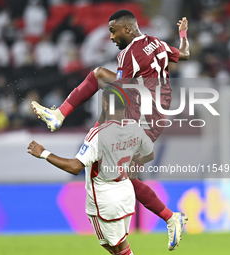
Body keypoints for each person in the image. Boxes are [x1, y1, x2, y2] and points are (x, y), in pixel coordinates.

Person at [31, 10, 189, 251]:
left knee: (97, 77)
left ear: (127, 29)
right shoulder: (156, 43)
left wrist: (102, 126)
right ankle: (170, 217)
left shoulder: (129, 55)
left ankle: (59, 114)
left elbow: (119, 93)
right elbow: (185, 54)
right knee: (126, 175)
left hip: (140, 115)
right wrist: (183, 34)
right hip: (156, 115)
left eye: (113, 31)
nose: (112, 37)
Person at [28, 85, 156, 255]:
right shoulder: (134, 128)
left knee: (118, 248)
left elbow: (75, 167)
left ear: (105, 105)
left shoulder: (97, 135)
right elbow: (149, 154)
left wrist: (44, 153)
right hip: (125, 195)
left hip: (105, 200)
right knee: (116, 248)